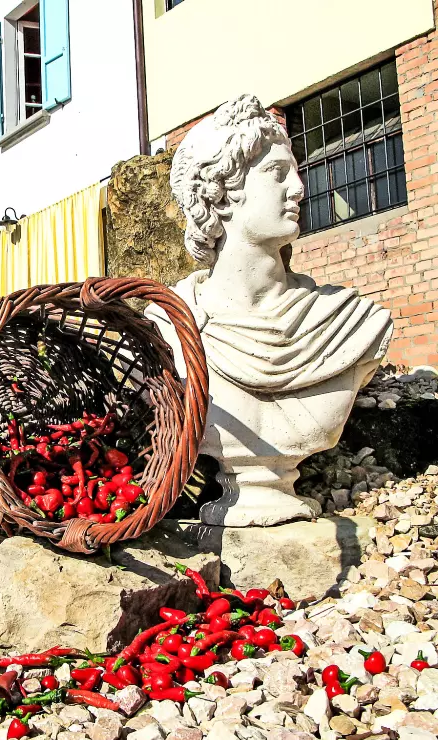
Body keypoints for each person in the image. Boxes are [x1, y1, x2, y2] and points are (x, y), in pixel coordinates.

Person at [146, 94, 392, 527]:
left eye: (294, 173)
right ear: (219, 196)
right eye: (277, 174)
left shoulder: (354, 323)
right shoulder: (169, 328)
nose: (298, 188)